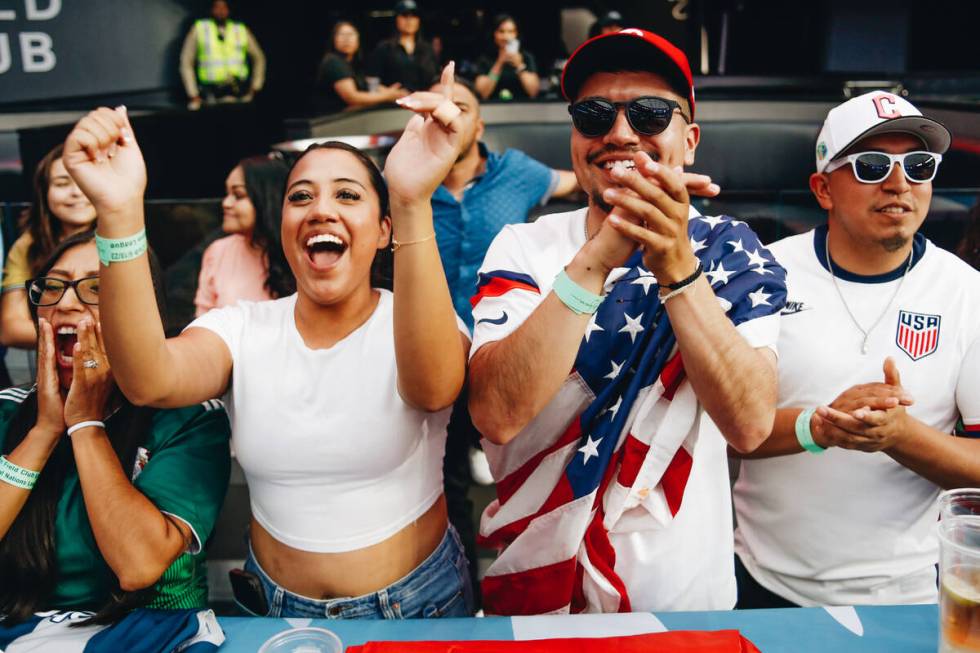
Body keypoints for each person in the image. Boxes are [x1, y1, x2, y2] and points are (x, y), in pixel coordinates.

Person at [62, 65, 475, 619]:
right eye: (300, 196)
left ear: (382, 232)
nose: (321, 209)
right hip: (274, 609)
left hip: (416, 605)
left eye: (348, 195)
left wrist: (410, 197)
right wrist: (117, 214)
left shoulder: (416, 318)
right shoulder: (243, 327)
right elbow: (148, 378)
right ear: (283, 228)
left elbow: (434, 389)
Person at [467, 28, 786, 615]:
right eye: (593, 115)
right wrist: (598, 259)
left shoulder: (731, 251)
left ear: (688, 140)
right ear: (574, 138)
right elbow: (497, 412)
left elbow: (748, 423)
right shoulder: (522, 247)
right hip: (544, 595)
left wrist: (679, 270)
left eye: (648, 113)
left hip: (683, 605)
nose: (618, 133)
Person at [731, 92, 980, 608]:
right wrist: (818, 428)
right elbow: (713, 432)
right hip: (760, 582)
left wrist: (900, 435)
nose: (899, 182)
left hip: (911, 594)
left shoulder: (966, 292)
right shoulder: (761, 275)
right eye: (870, 165)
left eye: (918, 164)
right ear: (823, 189)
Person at [0, 230, 231, 622]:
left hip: (148, 634)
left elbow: (138, 565)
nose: (66, 303)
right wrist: (44, 430)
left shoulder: (189, 418)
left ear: (139, 315)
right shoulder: (9, 410)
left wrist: (86, 424)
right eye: (53, 287)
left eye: (95, 287)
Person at [430, 76, 578, 328]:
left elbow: (579, 181)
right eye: (433, 109)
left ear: (478, 128)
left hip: (498, 333)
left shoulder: (514, 170)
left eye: (459, 108)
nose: (446, 117)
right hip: (420, 340)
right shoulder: (399, 184)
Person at [1, 145, 97, 349]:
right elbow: (11, 329)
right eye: (62, 183)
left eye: (85, 183)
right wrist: (70, 336)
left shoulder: (124, 243)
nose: (76, 192)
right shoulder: (28, 245)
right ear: (44, 193)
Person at [194, 155, 293, 317]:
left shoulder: (300, 254)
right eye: (227, 194)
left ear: (267, 199)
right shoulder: (217, 252)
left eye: (238, 195)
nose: (226, 203)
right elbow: (202, 322)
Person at [179, 0, 266, 111]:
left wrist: (256, 86)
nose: (221, 11)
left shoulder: (239, 30)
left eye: (224, 7)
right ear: (211, 9)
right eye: (217, 7)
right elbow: (186, 62)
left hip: (239, 95)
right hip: (211, 97)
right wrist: (193, 94)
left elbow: (259, 57)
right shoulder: (200, 29)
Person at [314, 21, 408, 114]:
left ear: (358, 39)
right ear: (334, 39)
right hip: (332, 123)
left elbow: (368, 86)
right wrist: (387, 96)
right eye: (342, 35)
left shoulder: (353, 64)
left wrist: (393, 93)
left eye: (350, 35)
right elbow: (353, 98)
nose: (347, 39)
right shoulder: (333, 62)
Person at [366, 0, 438, 93]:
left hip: (424, 103)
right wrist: (389, 93)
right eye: (404, 16)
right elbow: (372, 82)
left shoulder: (427, 49)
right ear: (396, 19)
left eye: (413, 16)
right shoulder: (384, 48)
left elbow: (436, 78)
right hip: (392, 104)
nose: (409, 20)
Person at [474, 15, 540, 102]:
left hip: (523, 108)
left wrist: (519, 66)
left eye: (511, 31)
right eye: (501, 31)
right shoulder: (485, 59)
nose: (506, 37)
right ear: (494, 34)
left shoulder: (526, 57)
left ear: (516, 34)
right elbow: (482, 94)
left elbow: (533, 92)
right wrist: (499, 63)